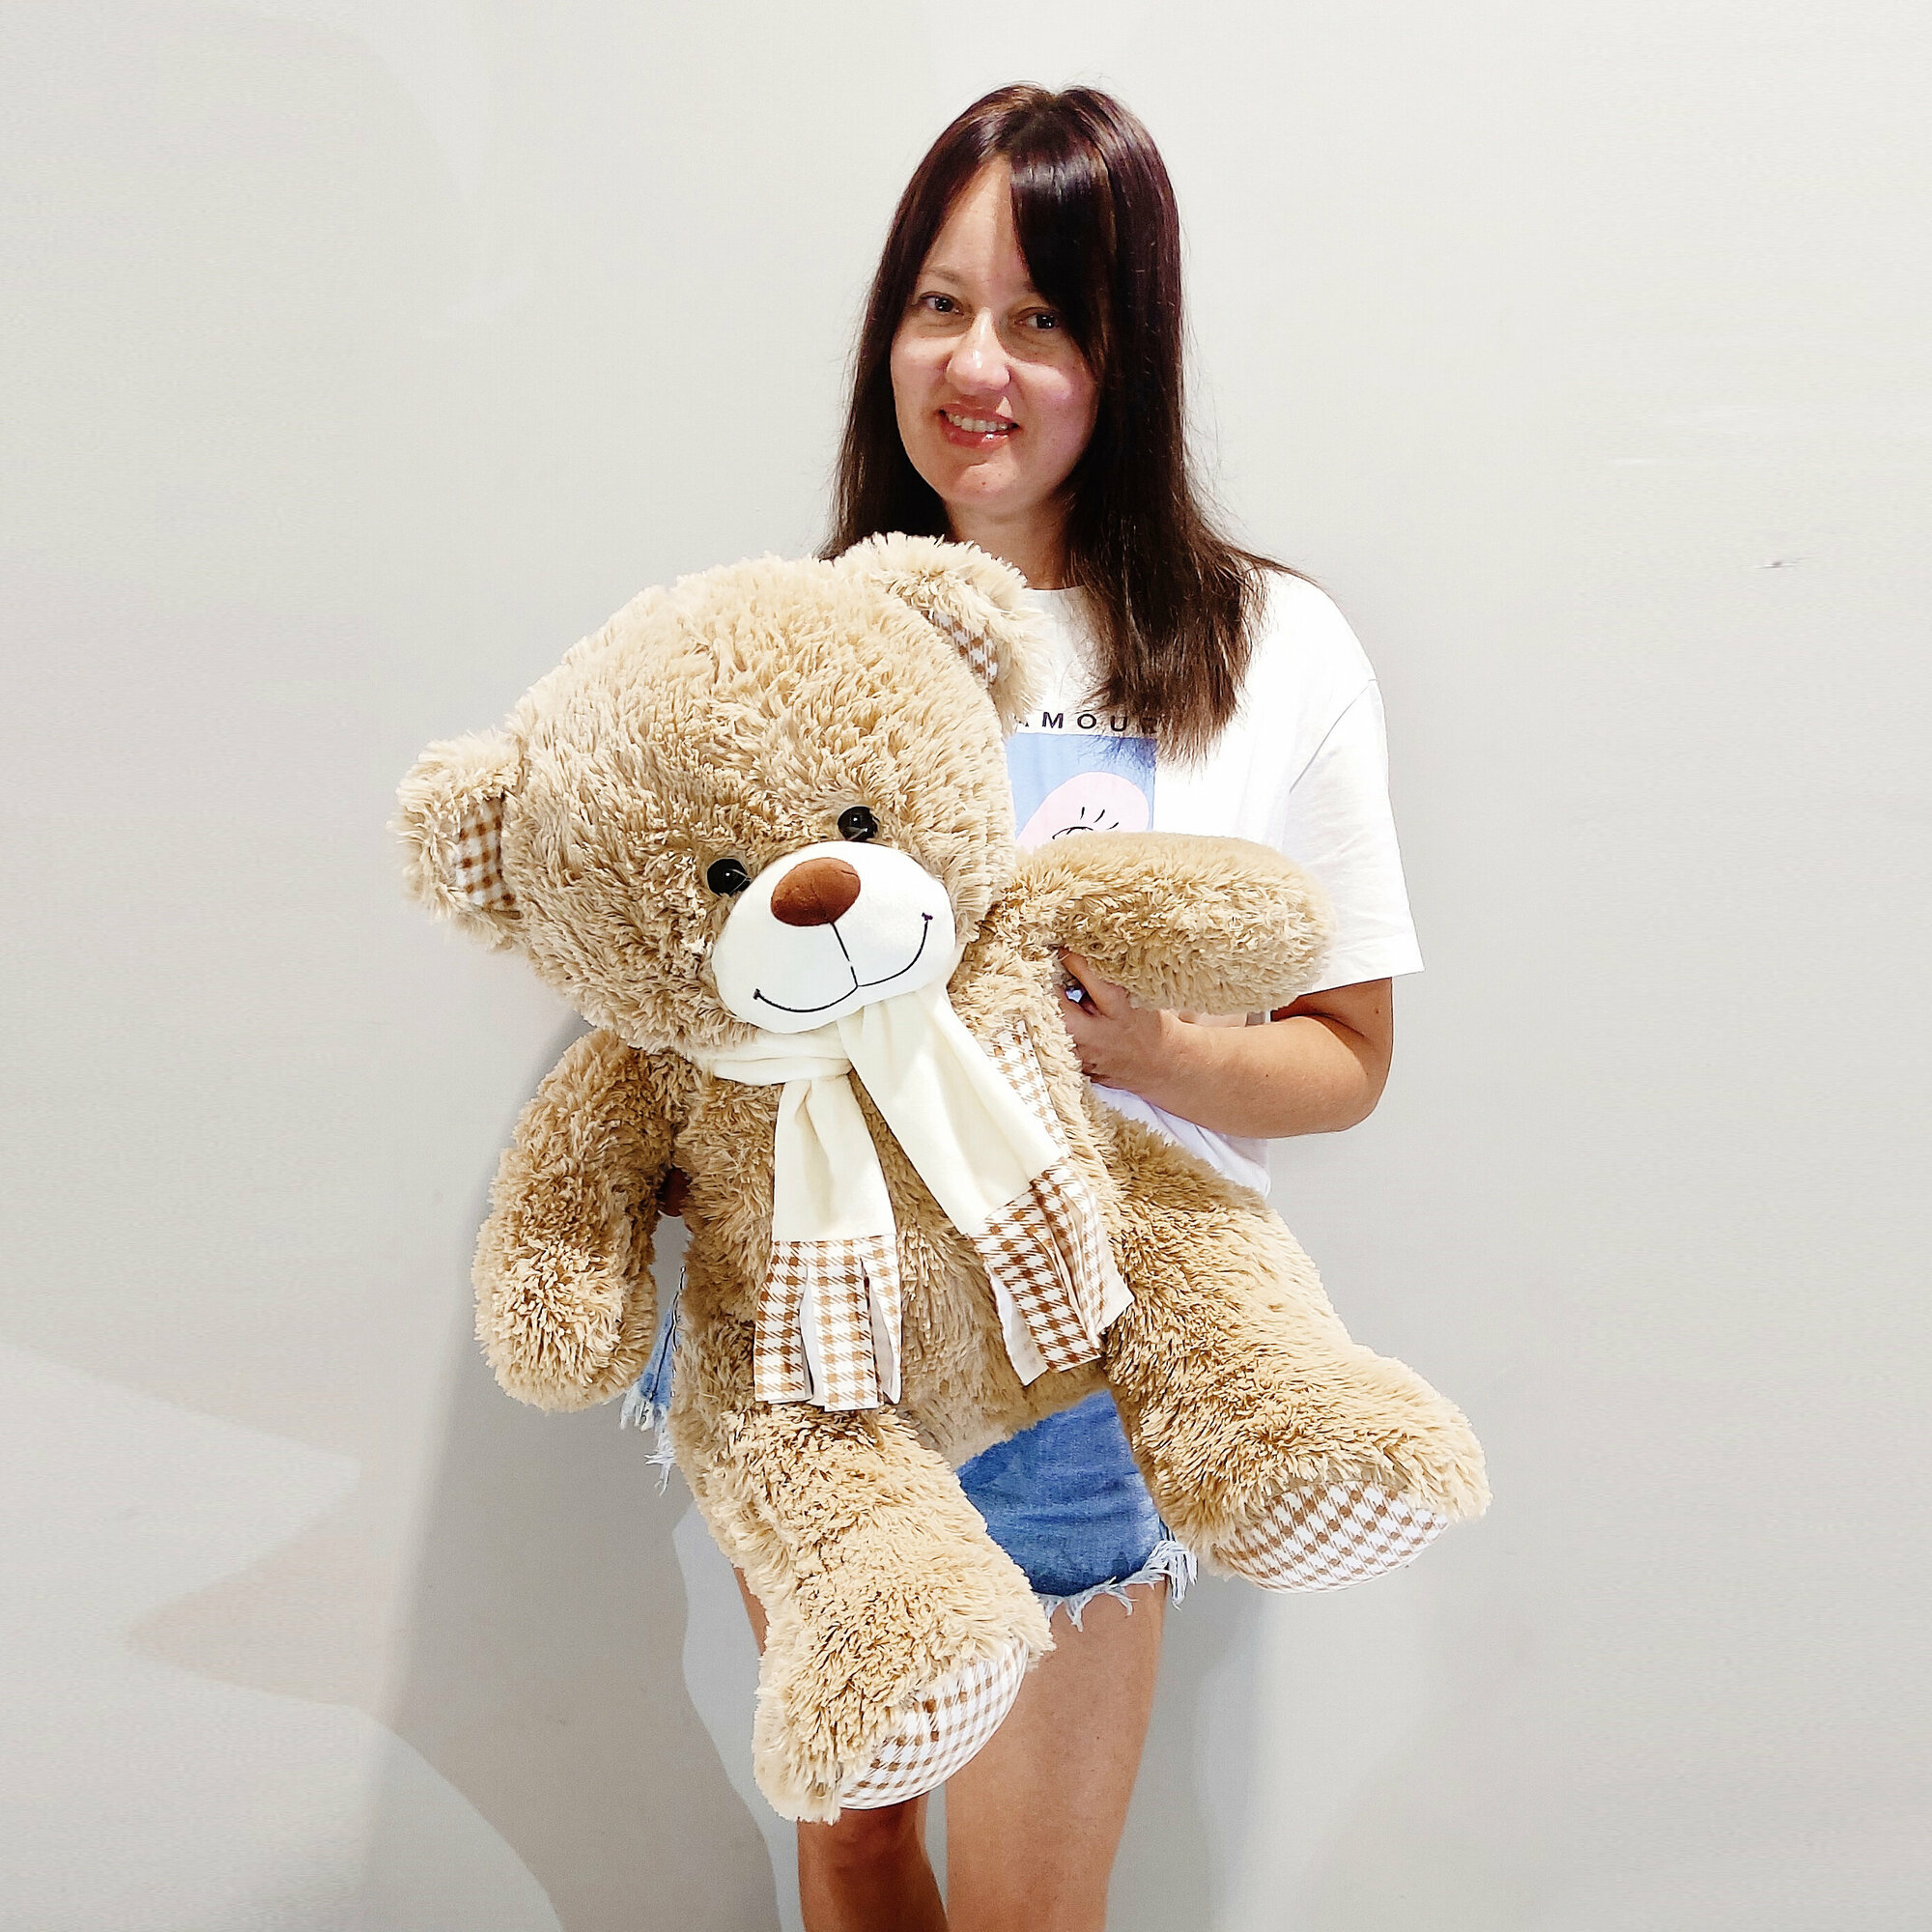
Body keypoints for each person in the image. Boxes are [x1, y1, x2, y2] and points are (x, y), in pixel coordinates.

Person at [650, 83, 1422, 1932]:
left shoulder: (1267, 649)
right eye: (938, 305)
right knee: (851, 1842)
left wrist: (1149, 1053)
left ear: (1123, 351)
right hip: (815, 1338)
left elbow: (1346, 1061)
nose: (975, 364)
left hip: (1091, 1359)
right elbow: (680, 971)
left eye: (1040, 316)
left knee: (1027, 1914)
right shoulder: (806, 634)